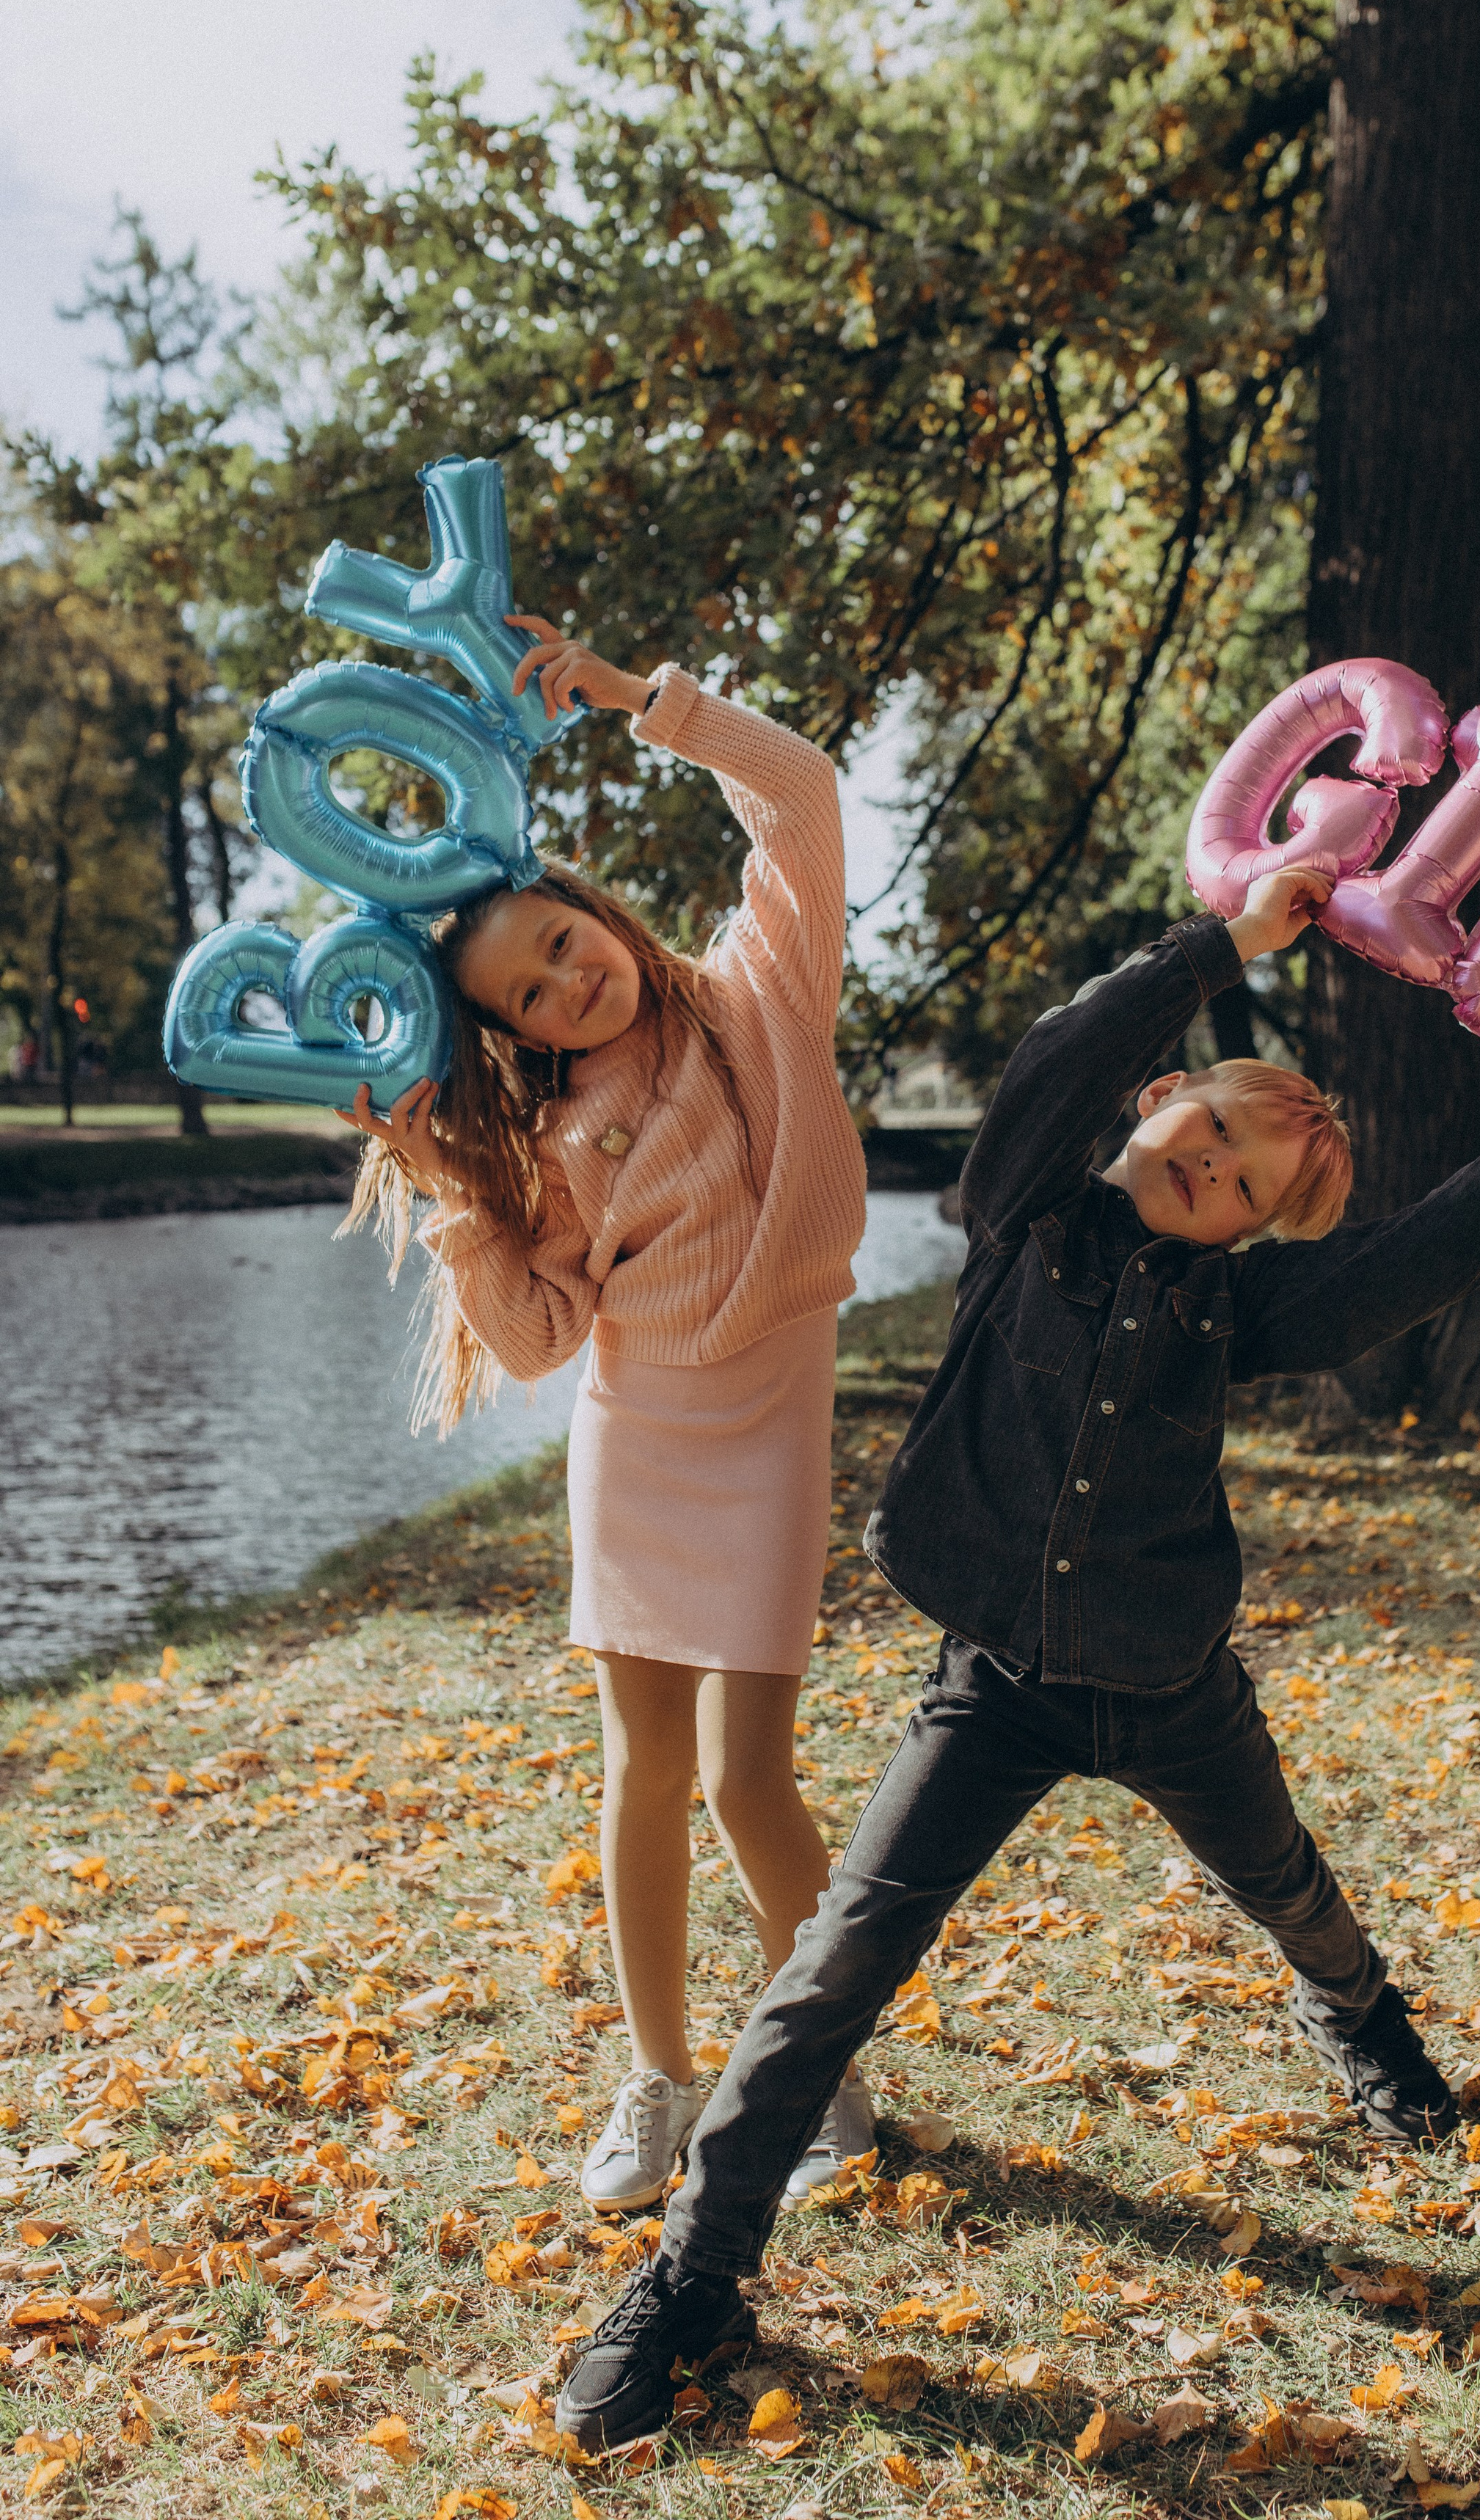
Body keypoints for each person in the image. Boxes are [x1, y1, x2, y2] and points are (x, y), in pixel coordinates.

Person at [552, 872, 1480, 2449]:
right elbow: (1054, 1059)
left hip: (1163, 1680)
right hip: (992, 1684)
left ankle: (1359, 2018)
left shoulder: (1241, 1310)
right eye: (1204, 1135)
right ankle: (693, 2283)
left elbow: (1395, 1269)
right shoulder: (1021, 1211)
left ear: (1252, 1232)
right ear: (1155, 1103)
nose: (1206, 1171)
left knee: (1280, 1881)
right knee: (830, 1975)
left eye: (1237, 1186)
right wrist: (1221, 949)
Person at [340, 618, 873, 2218]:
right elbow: (537, 1339)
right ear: (515, 1034)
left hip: (767, 1425)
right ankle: (654, 2082)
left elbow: (800, 797)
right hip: (637, 1440)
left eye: (563, 945)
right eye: (534, 998)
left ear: (590, 910)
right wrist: (450, 1191)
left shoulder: (756, 990)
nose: (572, 985)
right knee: (641, 1773)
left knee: (744, 1781)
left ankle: (820, 2063)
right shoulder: (557, 1135)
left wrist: (643, 700)